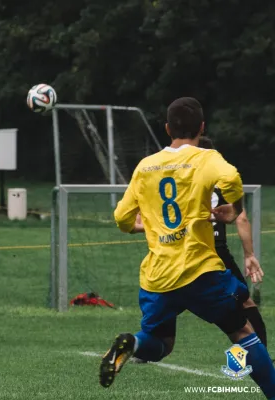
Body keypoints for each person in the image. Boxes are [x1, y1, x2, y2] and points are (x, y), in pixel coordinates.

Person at [99, 97, 275, 398]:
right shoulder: (205, 158)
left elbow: (121, 217)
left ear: (168, 129)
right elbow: (232, 179)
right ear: (202, 127)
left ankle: (132, 342)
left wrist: (143, 225)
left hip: (158, 277)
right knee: (243, 332)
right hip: (199, 269)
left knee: (160, 344)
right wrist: (234, 208)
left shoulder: (146, 166)